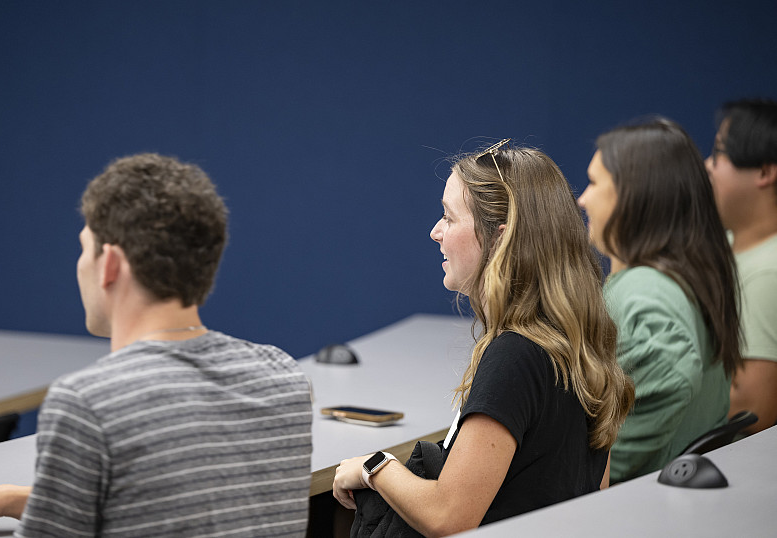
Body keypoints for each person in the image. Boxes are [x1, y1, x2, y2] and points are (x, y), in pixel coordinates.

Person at [0, 154, 313, 537]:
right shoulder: (281, 376)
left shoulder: (89, 402)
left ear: (110, 263)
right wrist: (17, 500)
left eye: (84, 248)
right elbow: (194, 515)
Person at [333, 144, 634, 536]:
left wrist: (372, 467)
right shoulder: (580, 345)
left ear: (499, 239)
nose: (435, 231)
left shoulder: (516, 355)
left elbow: (448, 517)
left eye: (448, 217)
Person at [578, 117, 742, 482]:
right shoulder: (691, 275)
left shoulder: (642, 293)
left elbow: (672, 372)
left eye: (593, 182)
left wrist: (592, 475)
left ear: (633, 195)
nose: (582, 199)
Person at [706, 99, 777, 434]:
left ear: (764, 171)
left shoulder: (769, 271)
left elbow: (752, 410)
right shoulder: (728, 242)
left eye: (720, 153)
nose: (709, 165)